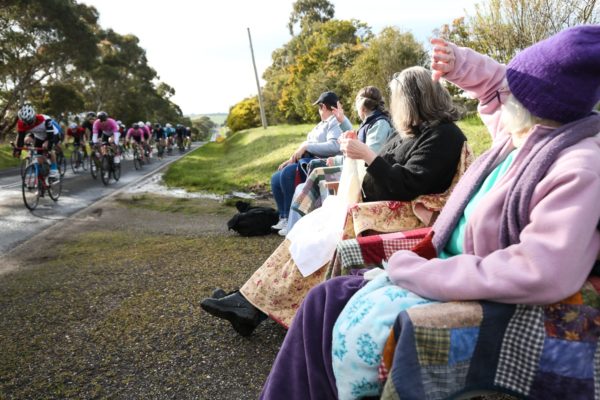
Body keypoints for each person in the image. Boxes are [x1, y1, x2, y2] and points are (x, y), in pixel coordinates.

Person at [259, 25, 600, 400]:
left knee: (355, 329)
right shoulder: (524, 132)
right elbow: (496, 85)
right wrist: (459, 62)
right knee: (321, 300)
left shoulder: (578, 166)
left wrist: (423, 272)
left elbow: (540, 271)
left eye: (513, 90)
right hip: (443, 263)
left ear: (534, 102)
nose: (501, 98)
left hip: (472, 288)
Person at [201, 69, 467, 336]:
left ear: (413, 99)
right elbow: (387, 167)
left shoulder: (443, 136)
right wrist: (358, 153)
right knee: (309, 227)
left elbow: (408, 185)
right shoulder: (412, 131)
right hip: (378, 208)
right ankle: (251, 298)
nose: (396, 106)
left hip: (404, 216)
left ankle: (254, 305)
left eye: (399, 99)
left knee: (324, 237)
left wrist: (367, 156)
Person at [282, 86, 396, 236]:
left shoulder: (379, 124)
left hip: (364, 179)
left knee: (307, 185)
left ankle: (308, 233)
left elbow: (368, 158)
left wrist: (339, 157)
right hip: (357, 173)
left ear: (361, 106)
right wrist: (336, 157)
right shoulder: (371, 122)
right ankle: (299, 234)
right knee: (302, 187)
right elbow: (360, 145)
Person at [271, 91, 352, 234]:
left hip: (322, 162)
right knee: (276, 178)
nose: (319, 110)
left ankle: (292, 219)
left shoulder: (334, 122)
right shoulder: (321, 124)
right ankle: (284, 216)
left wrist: (307, 147)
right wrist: (291, 158)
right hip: (307, 159)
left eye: (319, 107)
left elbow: (334, 146)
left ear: (323, 107)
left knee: (287, 174)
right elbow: (307, 142)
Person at [14, 103, 60, 178]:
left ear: (34, 116)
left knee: (47, 147)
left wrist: (48, 142)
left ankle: (54, 169)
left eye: (31, 121)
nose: (29, 124)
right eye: (26, 123)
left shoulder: (45, 119)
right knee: (39, 157)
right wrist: (18, 151)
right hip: (39, 136)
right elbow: (20, 139)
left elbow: (50, 136)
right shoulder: (21, 123)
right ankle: (42, 177)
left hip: (52, 134)